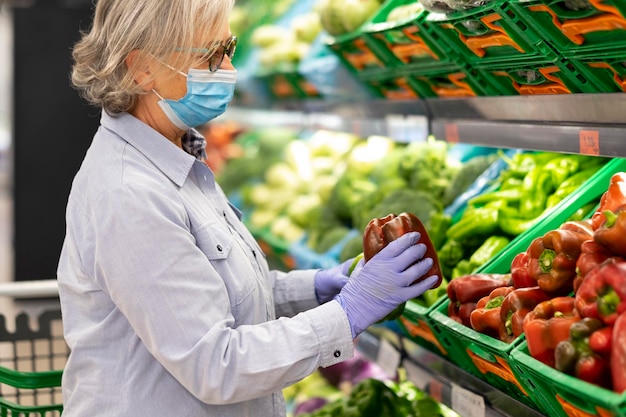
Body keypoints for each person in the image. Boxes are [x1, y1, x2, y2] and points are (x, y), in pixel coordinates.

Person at [56, 0, 439, 416]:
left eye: (229, 49)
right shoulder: (129, 193)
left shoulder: (177, 157)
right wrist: (348, 314)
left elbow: (217, 295)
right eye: (209, 56)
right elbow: (216, 365)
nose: (227, 70)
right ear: (142, 68)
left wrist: (314, 289)